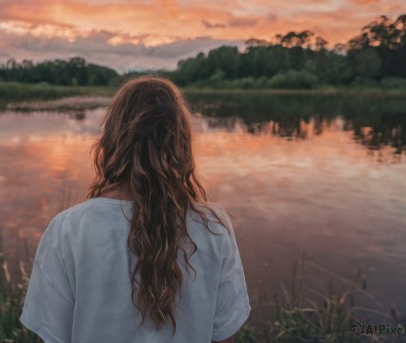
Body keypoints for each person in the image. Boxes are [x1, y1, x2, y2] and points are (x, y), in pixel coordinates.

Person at [20, 76, 251, 343]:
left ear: (113, 138)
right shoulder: (214, 227)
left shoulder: (68, 228)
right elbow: (224, 337)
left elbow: (52, 336)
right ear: (180, 142)